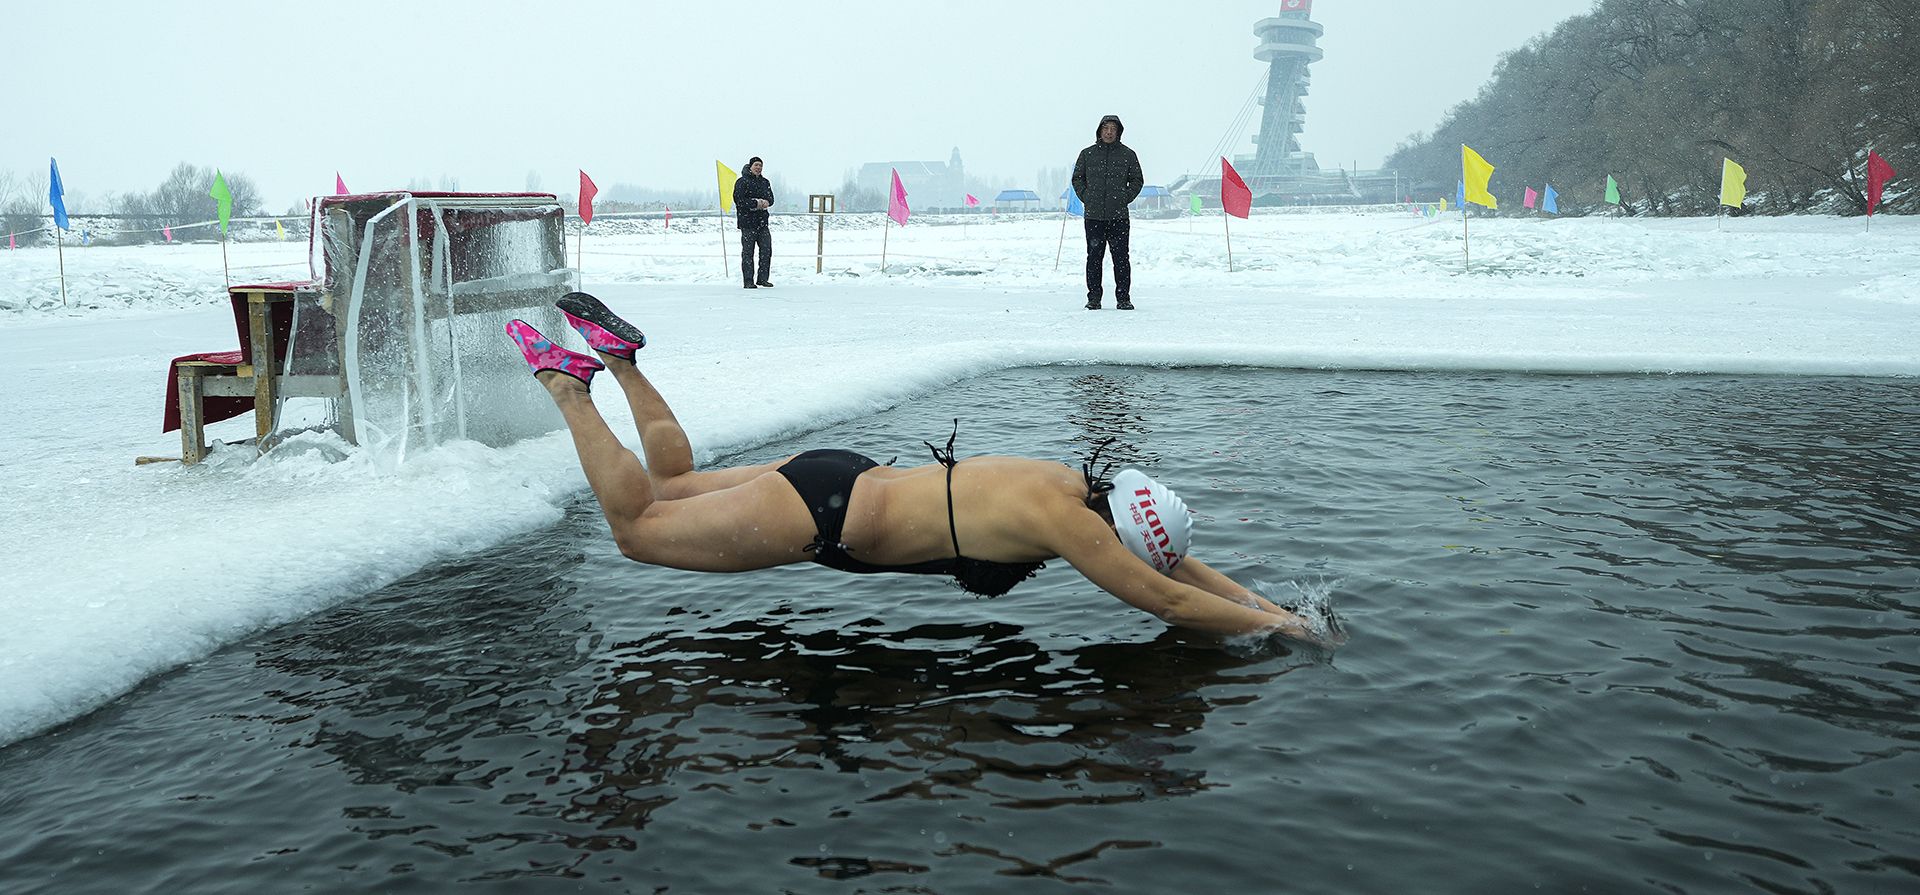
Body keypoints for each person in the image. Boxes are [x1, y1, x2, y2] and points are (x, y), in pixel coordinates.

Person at [500, 291, 1338, 646]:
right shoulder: (1070, 530)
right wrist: (1279, 629)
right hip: (825, 515)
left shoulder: (1075, 486)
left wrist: (1269, 602)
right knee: (638, 529)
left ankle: (621, 362)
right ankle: (567, 384)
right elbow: (1164, 593)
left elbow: (1176, 562)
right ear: (1114, 529)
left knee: (675, 488)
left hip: (842, 471)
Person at [1070, 115, 1144, 311]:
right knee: (1094, 257)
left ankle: (1123, 299)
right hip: (1093, 216)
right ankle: (1094, 298)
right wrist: (1087, 197)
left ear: (1119, 132)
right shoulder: (1087, 154)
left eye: (1113, 128)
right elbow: (1077, 178)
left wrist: (1124, 198)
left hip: (1119, 216)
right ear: (1099, 131)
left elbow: (1137, 180)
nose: (1109, 132)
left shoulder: (1128, 155)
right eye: (1106, 128)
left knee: (1121, 258)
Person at [733, 157, 775, 289]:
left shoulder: (765, 182)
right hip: (747, 223)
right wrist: (756, 203)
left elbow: (771, 199)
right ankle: (748, 281)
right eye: (756, 165)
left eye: (761, 165)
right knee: (748, 253)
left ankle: (762, 279)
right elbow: (739, 200)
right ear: (750, 166)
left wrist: (766, 202)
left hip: (762, 223)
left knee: (766, 250)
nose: (758, 168)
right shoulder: (742, 182)